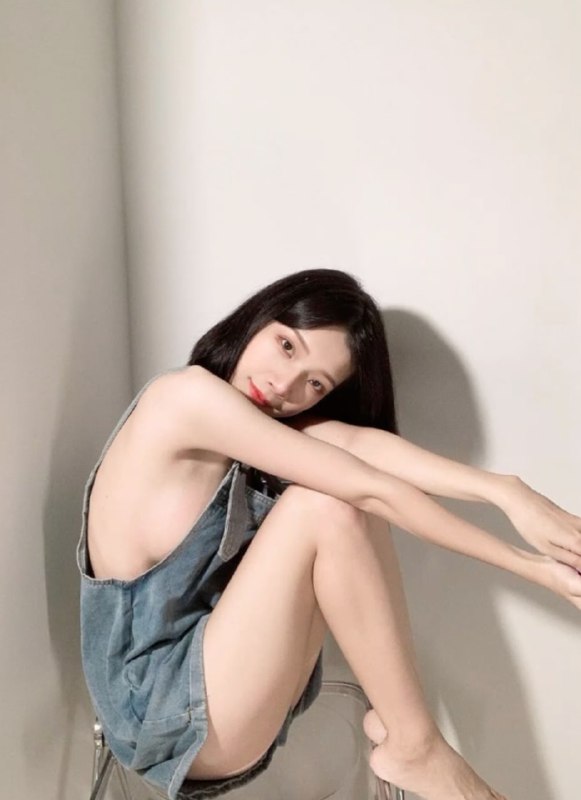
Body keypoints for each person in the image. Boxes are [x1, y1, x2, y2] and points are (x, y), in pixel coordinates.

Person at [77, 268, 581, 800]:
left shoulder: (255, 425)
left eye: (315, 383)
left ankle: (413, 742)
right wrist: (535, 570)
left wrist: (507, 492)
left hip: (220, 701)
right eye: (286, 346)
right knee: (325, 502)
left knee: (340, 495)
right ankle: (416, 746)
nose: (284, 385)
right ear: (257, 320)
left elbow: (363, 449)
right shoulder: (183, 399)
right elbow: (370, 487)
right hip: (154, 715)